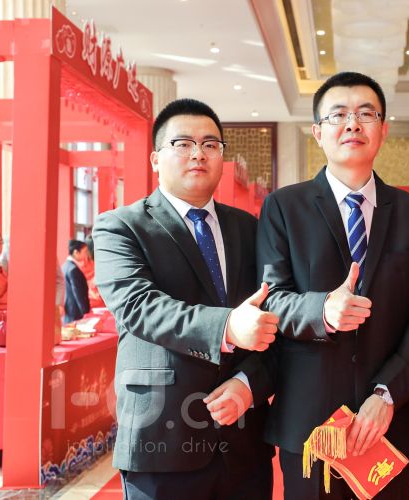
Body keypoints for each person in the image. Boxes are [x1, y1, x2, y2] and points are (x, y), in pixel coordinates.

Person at [257, 71, 409, 499]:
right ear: (318, 132)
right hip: (310, 423)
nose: (353, 124)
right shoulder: (283, 208)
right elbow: (271, 299)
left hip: (387, 421)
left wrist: (387, 392)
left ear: (383, 129)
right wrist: (321, 310)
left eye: (366, 114)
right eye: (338, 114)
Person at [93, 98, 278, 500]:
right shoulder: (120, 227)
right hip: (162, 437)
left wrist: (249, 383)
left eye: (211, 144)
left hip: (245, 442)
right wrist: (227, 326)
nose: (198, 153)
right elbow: (139, 307)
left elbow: (275, 314)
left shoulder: (250, 228)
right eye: (183, 143)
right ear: (155, 159)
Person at [62, 239, 90, 324]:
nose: (86, 254)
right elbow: (78, 292)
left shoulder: (65, 266)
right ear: (76, 252)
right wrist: (85, 312)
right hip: (75, 312)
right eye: (85, 252)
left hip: (69, 309)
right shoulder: (73, 269)